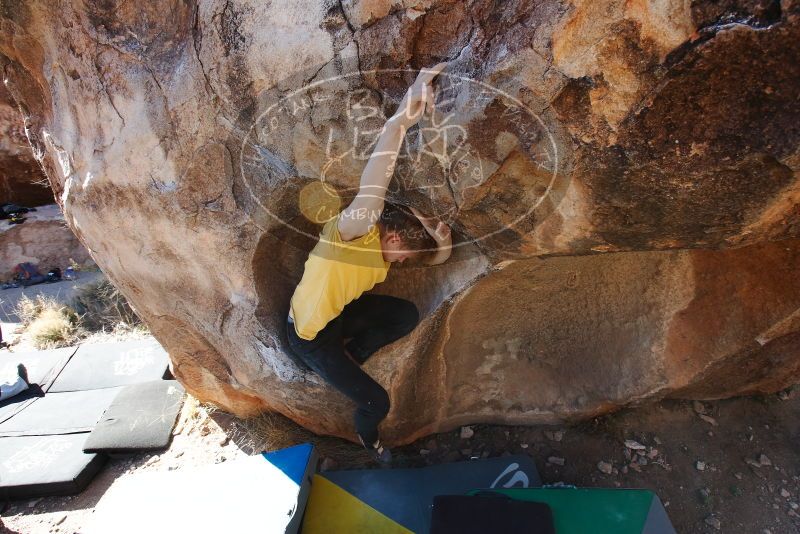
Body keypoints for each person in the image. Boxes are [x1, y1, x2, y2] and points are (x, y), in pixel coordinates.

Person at [285, 62, 452, 463]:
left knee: (405, 314)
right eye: (403, 256)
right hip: (310, 338)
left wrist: (441, 242)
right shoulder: (353, 233)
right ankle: (370, 443)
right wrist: (401, 119)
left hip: (339, 316)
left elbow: (434, 262)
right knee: (376, 403)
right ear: (393, 237)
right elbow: (377, 175)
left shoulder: (383, 256)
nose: (400, 264)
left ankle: (353, 356)